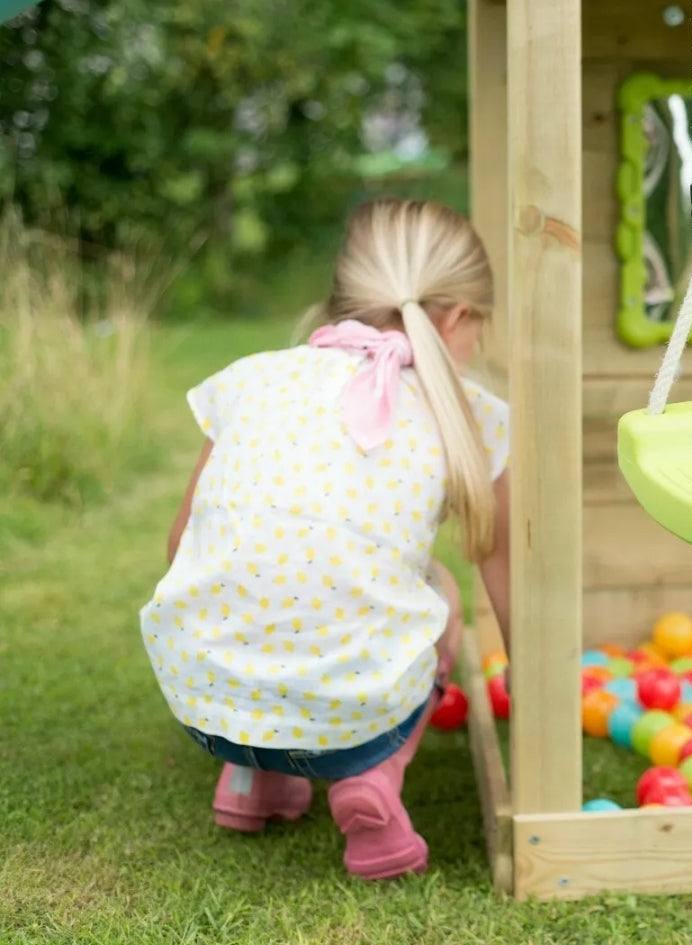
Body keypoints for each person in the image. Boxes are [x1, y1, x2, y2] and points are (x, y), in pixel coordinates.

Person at [139, 198, 512, 880]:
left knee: (269, 589)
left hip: (204, 701)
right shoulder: (473, 414)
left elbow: (180, 542)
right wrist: (529, 676)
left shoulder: (251, 377)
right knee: (443, 589)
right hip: (355, 721)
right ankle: (377, 778)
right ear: (458, 317)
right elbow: (509, 572)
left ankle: (251, 779)